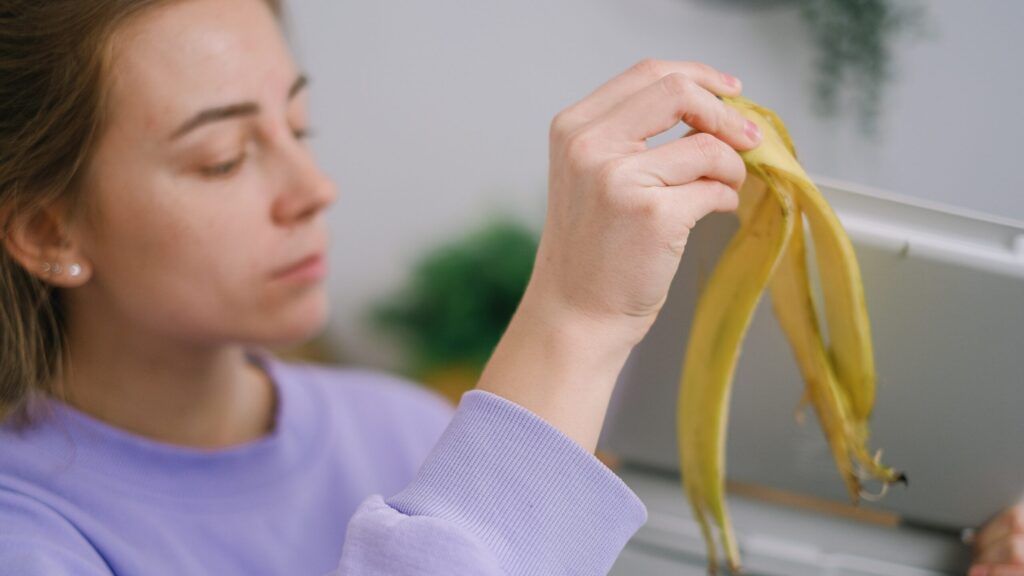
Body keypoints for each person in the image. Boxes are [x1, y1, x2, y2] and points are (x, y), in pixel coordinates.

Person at [0, 0, 754, 574]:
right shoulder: (29, 533)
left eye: (298, 128)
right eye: (223, 159)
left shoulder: (403, 430)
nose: (314, 188)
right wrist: (574, 318)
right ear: (48, 233)